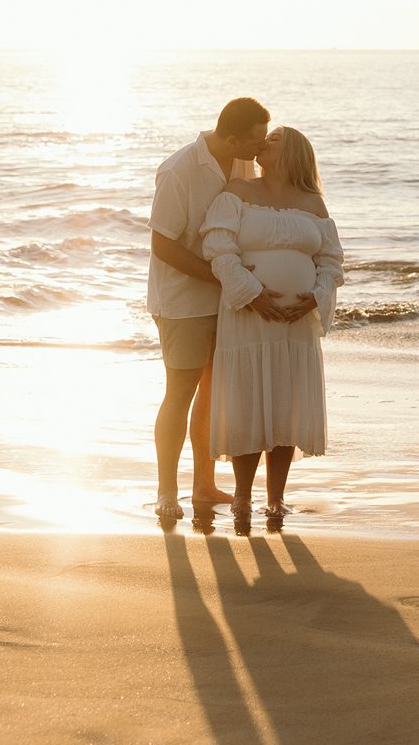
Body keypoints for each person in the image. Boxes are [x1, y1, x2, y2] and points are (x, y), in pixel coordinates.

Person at [200, 126, 343, 526]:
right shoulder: (238, 190)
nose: (264, 141)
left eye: (275, 138)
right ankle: (242, 497)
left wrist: (315, 297)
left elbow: (332, 261)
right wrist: (250, 292)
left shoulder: (313, 202)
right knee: (248, 404)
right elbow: (218, 246)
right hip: (249, 318)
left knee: (286, 407)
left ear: (294, 151)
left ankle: (276, 498)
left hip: (296, 325)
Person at [147, 96, 273, 522]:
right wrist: (217, 275)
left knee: (213, 394)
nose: (261, 149)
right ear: (232, 137)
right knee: (179, 394)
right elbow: (161, 243)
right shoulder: (180, 169)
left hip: (225, 298)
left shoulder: (241, 162)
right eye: (256, 142)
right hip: (182, 301)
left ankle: (203, 483)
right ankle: (167, 491)